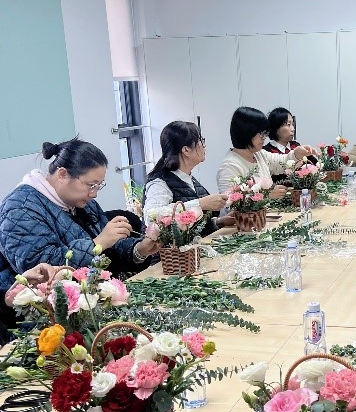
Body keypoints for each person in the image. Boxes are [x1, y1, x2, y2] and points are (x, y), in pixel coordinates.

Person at [0, 139, 160, 297]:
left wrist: (139, 249)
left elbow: (110, 249)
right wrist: (97, 244)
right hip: (47, 308)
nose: (94, 194)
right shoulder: (19, 208)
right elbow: (41, 271)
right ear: (62, 174)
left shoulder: (82, 201)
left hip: (93, 295)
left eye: (99, 185)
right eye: (91, 185)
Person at [143, 121, 231, 233]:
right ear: (186, 150)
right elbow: (151, 217)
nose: (204, 146)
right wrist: (200, 204)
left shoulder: (188, 178)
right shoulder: (159, 183)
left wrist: (219, 222)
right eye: (200, 141)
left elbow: (193, 226)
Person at [216, 106, 316, 196]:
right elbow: (230, 202)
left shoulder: (259, 154)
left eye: (265, 133)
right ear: (246, 133)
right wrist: (268, 195)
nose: (264, 137)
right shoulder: (230, 166)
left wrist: (296, 153)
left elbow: (281, 162)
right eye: (261, 133)